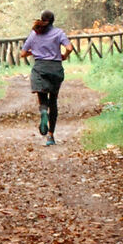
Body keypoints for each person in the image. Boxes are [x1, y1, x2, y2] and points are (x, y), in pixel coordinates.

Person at [23, 11, 71, 146]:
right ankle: (50, 135)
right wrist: (65, 55)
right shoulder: (59, 33)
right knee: (53, 101)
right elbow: (69, 47)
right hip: (55, 68)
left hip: (40, 69)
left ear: (42, 19)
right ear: (53, 20)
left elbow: (22, 53)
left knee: (43, 100)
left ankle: (43, 111)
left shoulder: (34, 33)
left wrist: (34, 52)